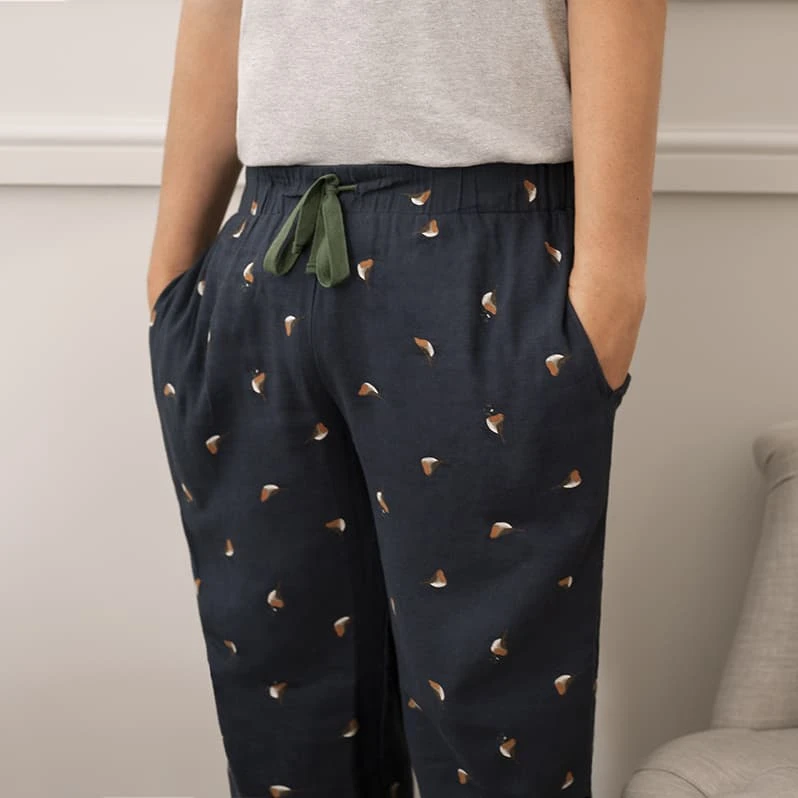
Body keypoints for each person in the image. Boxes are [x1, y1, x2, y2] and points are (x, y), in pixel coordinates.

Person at [144, 1, 665, 796]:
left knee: (495, 732)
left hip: (485, 254)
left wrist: (609, 291)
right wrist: (172, 283)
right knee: (285, 716)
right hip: (266, 252)